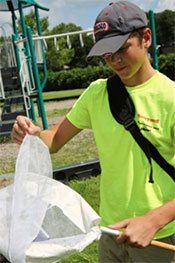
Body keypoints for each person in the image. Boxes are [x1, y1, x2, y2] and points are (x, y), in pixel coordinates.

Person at [11, 1, 175, 262]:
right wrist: (30, 133)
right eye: (107, 54)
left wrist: (153, 221)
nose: (114, 61)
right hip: (110, 231)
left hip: (159, 234)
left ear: (145, 38)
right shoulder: (97, 94)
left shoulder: (171, 98)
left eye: (121, 49)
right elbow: (52, 141)